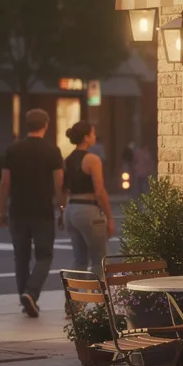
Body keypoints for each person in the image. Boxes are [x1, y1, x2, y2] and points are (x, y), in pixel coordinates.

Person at [0, 109, 64, 318]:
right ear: (46, 125)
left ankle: (24, 297)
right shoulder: (52, 150)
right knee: (44, 255)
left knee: (21, 257)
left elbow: (5, 182)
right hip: (42, 210)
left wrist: (1, 211)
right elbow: (59, 183)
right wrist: (61, 208)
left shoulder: (13, 150)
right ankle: (31, 293)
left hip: (18, 210)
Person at [62, 121, 115, 282]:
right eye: (92, 134)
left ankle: (73, 299)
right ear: (86, 138)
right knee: (100, 259)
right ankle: (102, 301)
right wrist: (110, 218)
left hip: (71, 209)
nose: (94, 137)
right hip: (88, 210)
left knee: (79, 259)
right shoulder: (92, 159)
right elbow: (99, 191)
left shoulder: (68, 159)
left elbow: (63, 188)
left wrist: (62, 210)